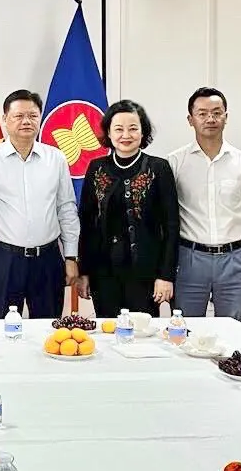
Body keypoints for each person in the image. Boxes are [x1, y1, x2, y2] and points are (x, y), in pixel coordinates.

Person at [0, 89, 80, 319]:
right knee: (2, 328)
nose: (26, 121)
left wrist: (71, 257)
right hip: (5, 259)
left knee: (48, 327)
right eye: (18, 116)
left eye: (32, 116)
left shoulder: (56, 158)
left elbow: (66, 210)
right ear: (5, 119)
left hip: (48, 258)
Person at [168, 87, 241, 323]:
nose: (210, 119)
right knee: (186, 331)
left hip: (236, 260)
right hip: (189, 259)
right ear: (190, 119)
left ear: (226, 116)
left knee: (234, 331)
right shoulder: (174, 162)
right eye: (202, 114)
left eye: (216, 112)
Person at [76, 100, 180, 317]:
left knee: (143, 333)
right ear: (108, 132)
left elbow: (171, 226)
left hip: (146, 274)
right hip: (103, 274)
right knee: (108, 331)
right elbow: (86, 224)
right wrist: (84, 272)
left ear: (143, 132)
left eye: (133, 128)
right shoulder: (96, 168)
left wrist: (166, 275)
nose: (126, 135)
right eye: (119, 129)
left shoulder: (158, 168)